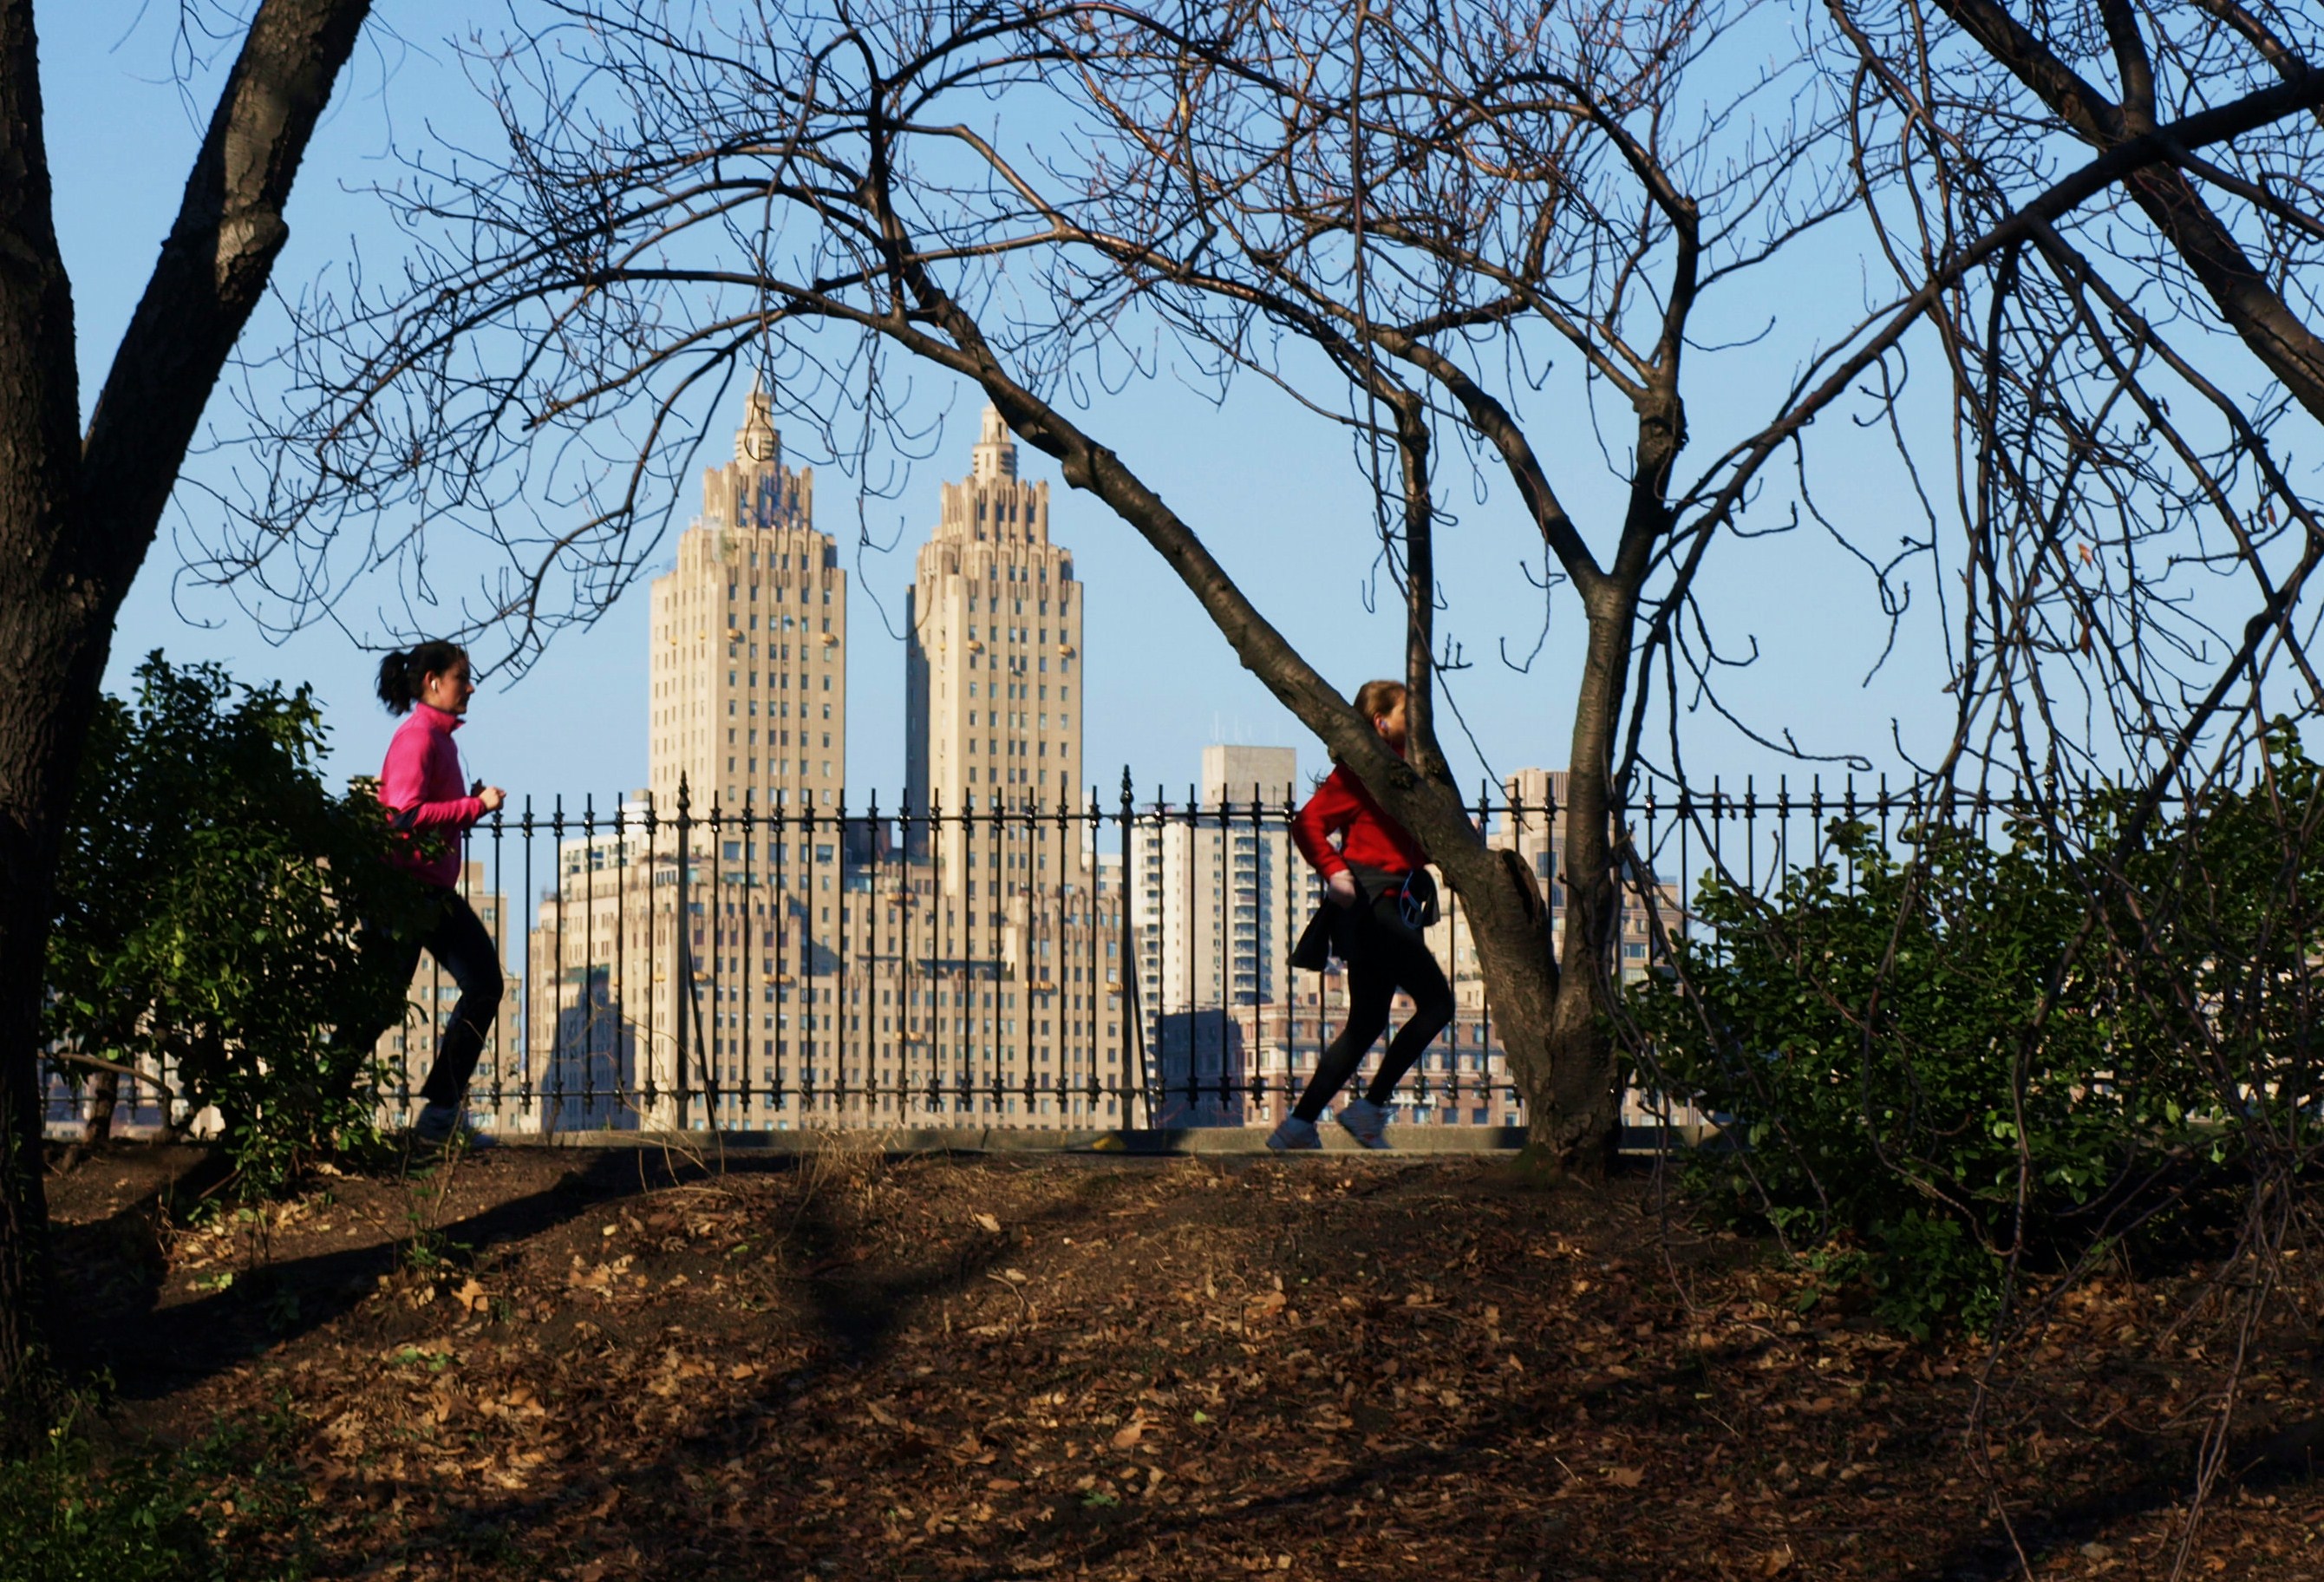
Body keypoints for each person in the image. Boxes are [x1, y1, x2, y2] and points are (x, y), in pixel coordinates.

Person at [1270, 679, 1454, 1151]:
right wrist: (1334, 871)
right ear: (1381, 722)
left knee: (1367, 1023)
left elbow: (1397, 842)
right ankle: (1369, 1110)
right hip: (1375, 905)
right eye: (1408, 716)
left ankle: (1298, 1126)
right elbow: (1308, 824)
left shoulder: (1404, 775)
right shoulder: (1361, 774)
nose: (1419, 727)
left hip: (1389, 904)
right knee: (1437, 1004)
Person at [369, 639, 509, 1154]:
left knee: (483, 984)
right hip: (407, 894)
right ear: (432, 682)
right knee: (376, 1006)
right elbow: (402, 815)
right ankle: (310, 1108)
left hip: (427, 892)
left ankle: (440, 1116)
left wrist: (462, 802)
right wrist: (472, 807)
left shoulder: (440, 739)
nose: (470, 686)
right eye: (461, 677)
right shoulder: (418, 738)